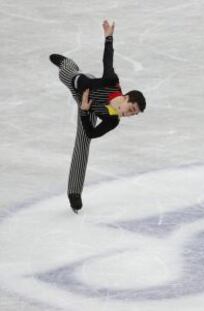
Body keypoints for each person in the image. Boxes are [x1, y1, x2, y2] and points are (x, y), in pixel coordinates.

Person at [49, 20, 146, 213]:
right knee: (67, 73)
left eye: (133, 114)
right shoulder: (112, 82)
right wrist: (109, 37)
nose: (129, 113)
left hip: (88, 108)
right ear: (126, 97)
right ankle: (68, 63)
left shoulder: (112, 120)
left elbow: (92, 132)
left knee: (83, 142)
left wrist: (85, 110)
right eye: (131, 108)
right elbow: (107, 60)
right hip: (83, 84)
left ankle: (74, 193)